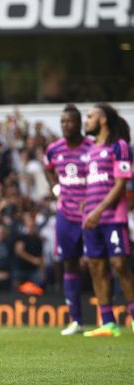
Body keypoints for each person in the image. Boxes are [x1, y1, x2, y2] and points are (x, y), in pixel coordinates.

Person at [81, 103, 134, 337]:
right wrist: (86, 206)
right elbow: (94, 184)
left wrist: (99, 210)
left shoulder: (120, 146)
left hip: (112, 217)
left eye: (90, 116)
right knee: (96, 267)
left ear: (102, 120)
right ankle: (109, 322)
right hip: (91, 218)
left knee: (119, 265)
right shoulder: (91, 150)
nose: (87, 120)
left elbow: (121, 183)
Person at [43, 104, 94, 335]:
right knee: (69, 263)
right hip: (65, 215)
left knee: (99, 263)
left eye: (70, 122)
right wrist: (54, 186)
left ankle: (108, 316)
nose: (66, 125)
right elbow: (48, 167)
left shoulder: (92, 147)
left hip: (91, 214)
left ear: (79, 123)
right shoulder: (54, 149)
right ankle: (76, 320)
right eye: (63, 122)